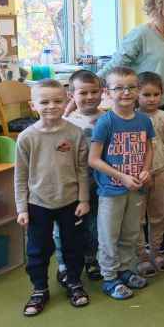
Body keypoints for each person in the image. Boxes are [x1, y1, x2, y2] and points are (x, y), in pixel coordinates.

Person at [15, 80, 90, 316]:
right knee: (38, 249)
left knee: (73, 246)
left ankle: (74, 282)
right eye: (44, 102)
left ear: (67, 100)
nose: (51, 106)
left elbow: (82, 170)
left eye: (58, 101)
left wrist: (84, 199)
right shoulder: (26, 137)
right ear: (33, 104)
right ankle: (39, 289)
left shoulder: (75, 133)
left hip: (70, 202)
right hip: (38, 204)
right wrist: (22, 208)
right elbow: (20, 176)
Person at [89, 67, 155, 300]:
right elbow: (93, 159)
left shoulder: (144, 121)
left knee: (131, 232)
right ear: (108, 92)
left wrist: (146, 170)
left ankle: (125, 270)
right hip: (111, 190)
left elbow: (149, 148)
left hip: (136, 189)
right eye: (119, 88)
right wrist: (122, 176)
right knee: (109, 235)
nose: (125, 92)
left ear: (138, 90)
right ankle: (109, 278)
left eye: (131, 87)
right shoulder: (105, 122)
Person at [61, 69, 105, 282]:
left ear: (102, 92)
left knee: (96, 223)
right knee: (69, 224)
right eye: (83, 93)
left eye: (94, 91)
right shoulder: (66, 122)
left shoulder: (106, 118)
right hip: (72, 183)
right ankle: (65, 264)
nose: (89, 97)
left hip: (100, 182)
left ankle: (92, 259)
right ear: (72, 96)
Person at [135, 72, 164, 277]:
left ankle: (155, 251)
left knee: (158, 215)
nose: (151, 99)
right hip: (137, 175)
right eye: (146, 94)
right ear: (137, 94)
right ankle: (141, 256)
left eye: (156, 94)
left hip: (162, 171)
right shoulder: (131, 117)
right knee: (137, 218)